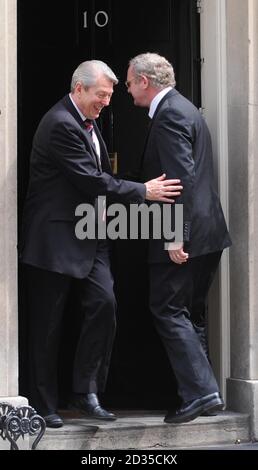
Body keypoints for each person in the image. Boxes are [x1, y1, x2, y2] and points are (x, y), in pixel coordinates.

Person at [19, 60, 182, 428]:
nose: (107, 101)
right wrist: (143, 191)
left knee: (104, 303)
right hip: (55, 240)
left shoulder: (91, 123)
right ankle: (43, 405)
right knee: (47, 325)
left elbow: (100, 177)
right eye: (102, 95)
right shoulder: (59, 124)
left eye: (110, 94)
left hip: (91, 235)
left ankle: (86, 391)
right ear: (79, 89)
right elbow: (90, 179)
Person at [126, 52, 232, 423]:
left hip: (184, 235)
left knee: (168, 309)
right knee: (190, 314)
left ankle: (201, 392)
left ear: (144, 81)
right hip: (208, 233)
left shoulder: (170, 113)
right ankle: (205, 394)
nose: (126, 89)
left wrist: (174, 237)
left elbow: (178, 180)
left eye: (128, 82)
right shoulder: (186, 109)